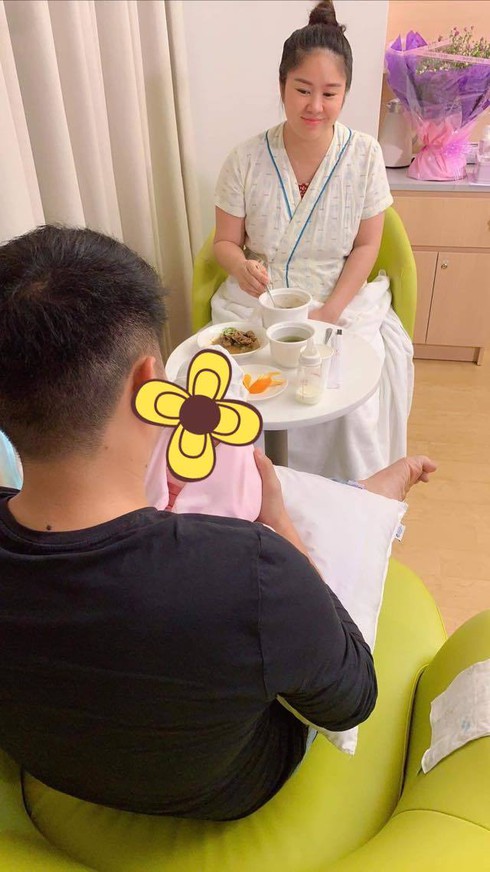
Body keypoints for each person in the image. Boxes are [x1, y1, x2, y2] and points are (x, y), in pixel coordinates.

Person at [0, 225, 433, 822]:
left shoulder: (238, 568)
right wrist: (278, 525)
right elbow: (351, 701)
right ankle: (361, 506)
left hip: (54, 764)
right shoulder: (252, 568)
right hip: (222, 789)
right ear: (149, 382)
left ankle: (354, 500)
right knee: (305, 520)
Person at [211, 0, 414, 482]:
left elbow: (367, 246)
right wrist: (240, 267)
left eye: (330, 93)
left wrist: (329, 312)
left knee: (347, 399)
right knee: (241, 392)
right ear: (282, 85)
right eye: (302, 90)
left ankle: (344, 497)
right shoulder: (244, 159)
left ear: (346, 93)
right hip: (260, 298)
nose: (315, 106)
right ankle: (252, 493)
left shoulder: (364, 155)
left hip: (338, 294)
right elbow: (224, 243)